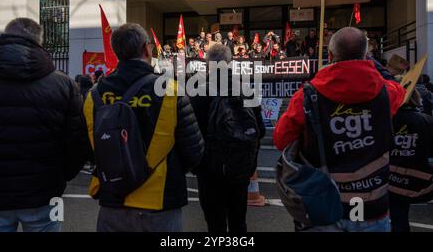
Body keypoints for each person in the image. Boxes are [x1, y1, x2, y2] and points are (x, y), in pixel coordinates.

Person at [273, 27, 406, 232]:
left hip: (325, 204)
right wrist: (374, 65)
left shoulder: (307, 96)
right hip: (372, 206)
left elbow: (281, 140)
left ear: (330, 56)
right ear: (365, 55)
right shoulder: (386, 91)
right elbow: (399, 89)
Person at [83, 23, 204, 232]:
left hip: (113, 199)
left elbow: (89, 149)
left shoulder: (94, 94)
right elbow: (194, 151)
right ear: (147, 49)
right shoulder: (170, 89)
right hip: (160, 201)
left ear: (116, 52)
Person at [0, 18, 89, 232]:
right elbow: (77, 142)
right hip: (44, 192)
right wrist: (60, 176)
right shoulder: (64, 83)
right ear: (39, 42)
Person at [190, 44, 266, 232]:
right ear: (230, 62)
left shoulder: (199, 92)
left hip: (210, 171)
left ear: (208, 64)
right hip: (240, 167)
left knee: (215, 224)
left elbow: (191, 134)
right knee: (238, 222)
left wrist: (196, 166)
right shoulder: (245, 90)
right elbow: (261, 130)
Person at [389, 88, 433, 232]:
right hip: (417, 177)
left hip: (388, 179)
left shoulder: (386, 119)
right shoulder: (426, 120)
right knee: (400, 218)